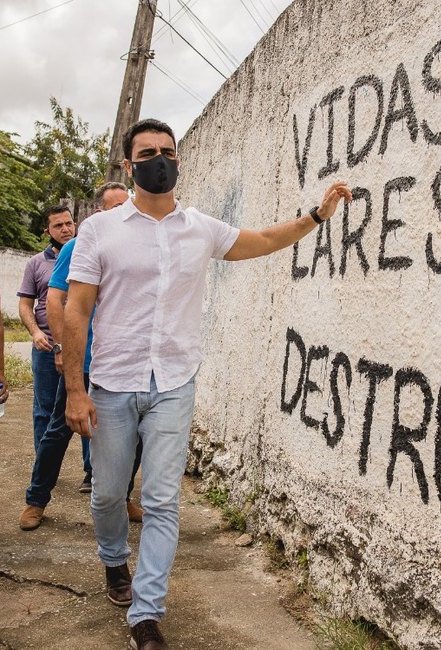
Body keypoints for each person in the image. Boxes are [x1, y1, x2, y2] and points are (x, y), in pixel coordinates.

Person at [63, 119, 351, 650]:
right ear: (129, 166)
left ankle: (146, 616)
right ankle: (112, 563)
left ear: (178, 160)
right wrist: (75, 388)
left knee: (162, 499)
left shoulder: (200, 228)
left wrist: (315, 216)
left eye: (167, 152)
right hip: (111, 382)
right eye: (147, 153)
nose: (159, 160)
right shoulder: (99, 230)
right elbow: (76, 308)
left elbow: (263, 240)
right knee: (107, 494)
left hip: (174, 380)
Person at [19, 182, 130, 531]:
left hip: (120, 361)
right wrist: (63, 348)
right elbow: (55, 301)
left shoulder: (138, 247)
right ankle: (36, 500)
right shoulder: (77, 247)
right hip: (82, 359)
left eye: (127, 205)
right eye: (115, 207)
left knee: (126, 437)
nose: (124, 213)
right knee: (58, 431)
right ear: (99, 213)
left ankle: (123, 498)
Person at [17, 206, 75, 453]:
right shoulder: (36, 264)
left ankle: (90, 471)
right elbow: (25, 304)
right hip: (47, 347)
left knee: (87, 405)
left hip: (81, 345)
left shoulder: (87, 256)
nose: (65, 229)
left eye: (69, 223)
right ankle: (43, 464)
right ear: (47, 231)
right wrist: (35, 332)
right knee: (45, 409)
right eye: (58, 225)